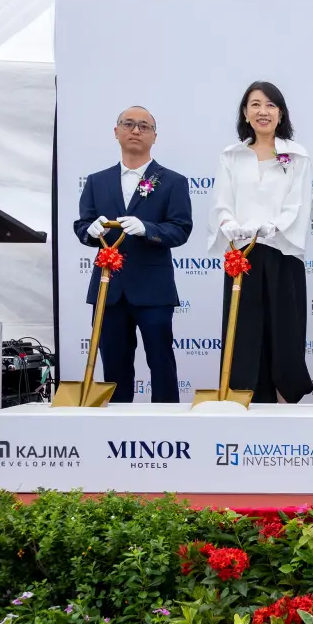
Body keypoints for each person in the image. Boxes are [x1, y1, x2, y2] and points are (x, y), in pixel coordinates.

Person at [74, 106, 192, 402]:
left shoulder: (173, 181)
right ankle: (115, 429)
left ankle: (167, 427)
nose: (135, 130)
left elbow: (180, 230)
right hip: (108, 289)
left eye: (144, 126)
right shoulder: (96, 180)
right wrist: (91, 231)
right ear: (116, 132)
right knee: (114, 366)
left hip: (154, 291)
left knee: (161, 363)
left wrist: (148, 229)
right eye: (128, 124)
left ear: (154, 136)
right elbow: (82, 225)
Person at [205, 81, 313, 403]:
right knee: (244, 332)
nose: (262, 111)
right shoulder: (231, 156)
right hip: (243, 255)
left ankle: (285, 397)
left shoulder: (297, 155)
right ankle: (243, 397)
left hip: (282, 252)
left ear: (280, 113)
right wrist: (230, 226)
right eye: (255, 104)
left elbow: (298, 204)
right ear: (245, 112)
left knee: (284, 331)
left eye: (270, 105)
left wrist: (270, 228)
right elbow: (221, 202)